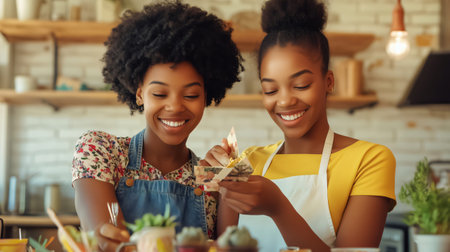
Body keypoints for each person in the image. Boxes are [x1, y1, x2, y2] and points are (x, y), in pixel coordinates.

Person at [202, 0, 396, 251]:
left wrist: (279, 208)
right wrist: (212, 179)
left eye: (301, 85)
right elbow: (223, 247)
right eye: (270, 89)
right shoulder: (248, 161)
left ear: (328, 81)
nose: (284, 100)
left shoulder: (369, 160)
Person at [72, 1, 243, 251]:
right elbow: (108, 242)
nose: (174, 107)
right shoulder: (99, 151)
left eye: (191, 95)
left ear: (207, 97)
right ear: (140, 94)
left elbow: (232, 247)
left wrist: (232, 181)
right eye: (160, 94)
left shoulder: (211, 178)